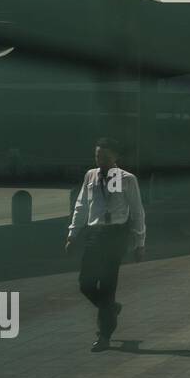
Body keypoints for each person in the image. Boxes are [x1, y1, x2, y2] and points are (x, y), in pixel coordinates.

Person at [66, 137, 146, 352]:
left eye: (105, 157)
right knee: (86, 283)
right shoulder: (90, 175)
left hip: (116, 235)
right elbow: (81, 205)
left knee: (108, 285)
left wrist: (139, 242)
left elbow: (137, 211)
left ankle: (104, 335)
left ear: (115, 157)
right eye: (97, 156)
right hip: (95, 233)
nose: (100, 160)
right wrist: (73, 234)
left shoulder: (127, 179)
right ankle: (110, 309)